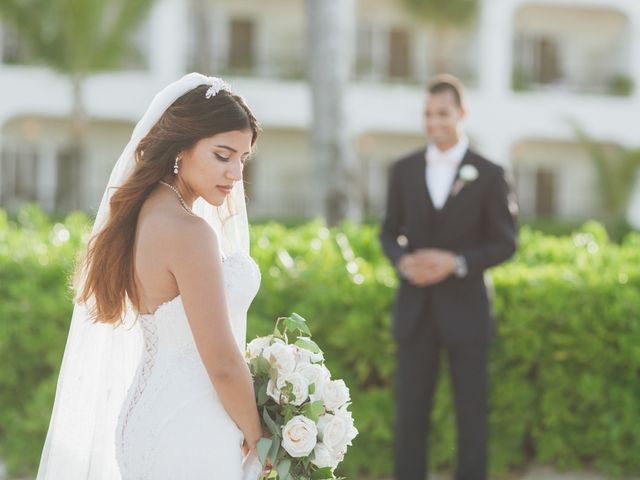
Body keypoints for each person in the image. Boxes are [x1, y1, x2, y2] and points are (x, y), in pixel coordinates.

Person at [37, 73, 265, 479]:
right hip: (192, 424)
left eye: (242, 159)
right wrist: (263, 438)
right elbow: (222, 362)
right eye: (222, 155)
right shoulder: (189, 233)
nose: (235, 173)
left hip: (147, 417)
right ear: (181, 148)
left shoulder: (148, 214)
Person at [380, 74, 518, 480]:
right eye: (427, 113)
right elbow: (388, 232)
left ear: (462, 113)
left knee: (471, 416)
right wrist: (403, 262)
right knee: (410, 417)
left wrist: (455, 262)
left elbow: (505, 242)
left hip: (468, 313)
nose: (433, 121)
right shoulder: (402, 169)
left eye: (442, 113)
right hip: (415, 310)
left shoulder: (490, 173)